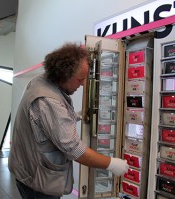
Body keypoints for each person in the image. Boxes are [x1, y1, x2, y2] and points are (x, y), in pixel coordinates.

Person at [8, 43, 129, 199]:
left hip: (25, 170)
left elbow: (48, 123)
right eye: (80, 79)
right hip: (37, 181)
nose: (83, 84)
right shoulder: (48, 101)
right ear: (64, 75)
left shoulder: (41, 80)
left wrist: (77, 116)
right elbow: (74, 150)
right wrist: (112, 164)